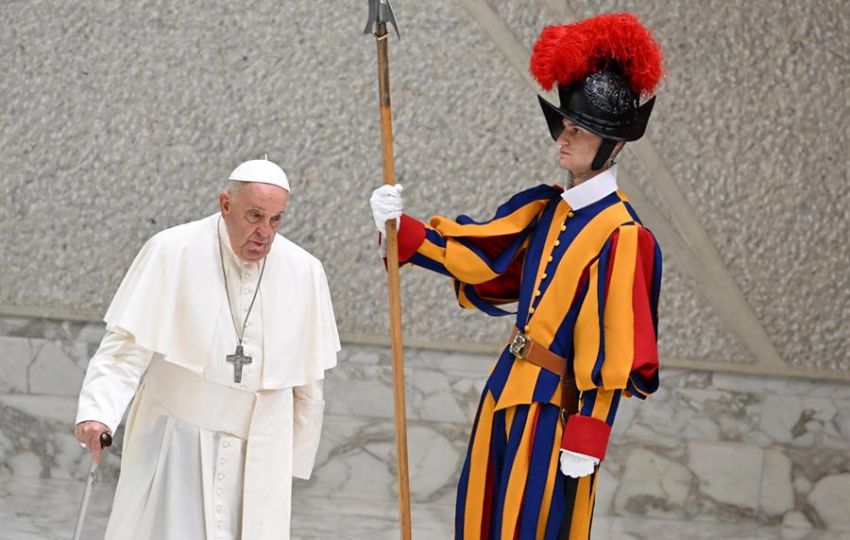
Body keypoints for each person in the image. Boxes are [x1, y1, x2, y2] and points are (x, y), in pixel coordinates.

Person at [369, 12, 664, 540]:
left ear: (612, 145)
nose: (564, 139)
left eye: (579, 130)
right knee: (481, 523)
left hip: (556, 412)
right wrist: (402, 230)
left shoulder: (623, 235)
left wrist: (589, 435)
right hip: (506, 388)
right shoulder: (548, 209)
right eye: (566, 125)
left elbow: (614, 349)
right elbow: (483, 260)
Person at [75, 158, 340, 540]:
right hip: (176, 443)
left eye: (276, 220)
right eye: (255, 216)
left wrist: (294, 458)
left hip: (259, 454)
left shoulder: (304, 271)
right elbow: (125, 348)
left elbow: (308, 379)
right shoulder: (172, 250)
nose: (265, 233)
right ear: (225, 204)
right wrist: (98, 412)